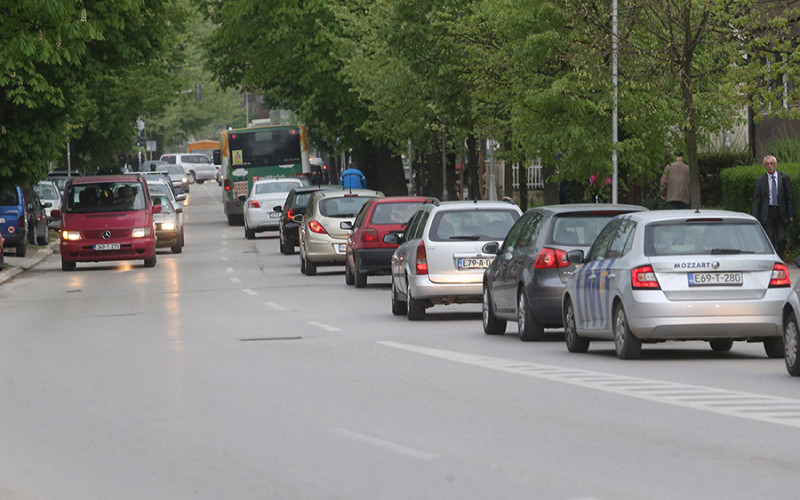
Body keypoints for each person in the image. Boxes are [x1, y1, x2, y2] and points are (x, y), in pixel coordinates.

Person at [753, 155, 794, 259]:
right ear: (764, 166)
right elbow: (757, 200)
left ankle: (780, 257)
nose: (769, 166)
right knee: (770, 238)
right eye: (767, 164)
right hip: (768, 212)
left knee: (781, 238)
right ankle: (772, 258)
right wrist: (755, 217)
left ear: (775, 165)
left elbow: (789, 197)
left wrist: (791, 214)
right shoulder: (760, 180)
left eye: (771, 164)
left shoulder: (784, 178)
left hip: (781, 212)